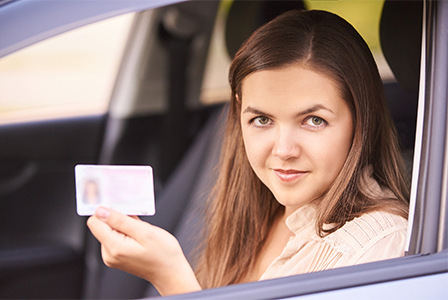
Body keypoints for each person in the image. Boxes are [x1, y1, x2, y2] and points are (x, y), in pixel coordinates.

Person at [87, 10, 409, 296]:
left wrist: (171, 280)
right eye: (262, 120)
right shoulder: (253, 207)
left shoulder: (377, 247)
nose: (283, 151)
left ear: (361, 121)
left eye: (314, 120)